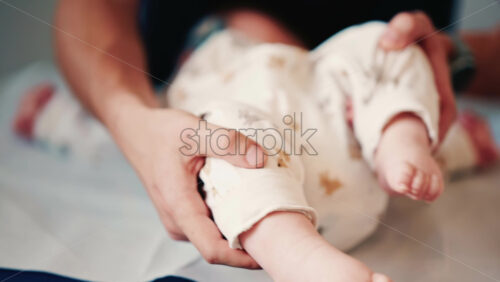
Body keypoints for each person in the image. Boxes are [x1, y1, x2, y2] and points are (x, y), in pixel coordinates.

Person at [52, 0, 500, 270]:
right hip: (265, 161)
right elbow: (102, 126)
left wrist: (427, 77)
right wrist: (118, 116)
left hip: (352, 140)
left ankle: (397, 140)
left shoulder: (318, 69)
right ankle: (297, 256)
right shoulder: (201, 85)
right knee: (227, 141)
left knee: (381, 45)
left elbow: (377, 61)